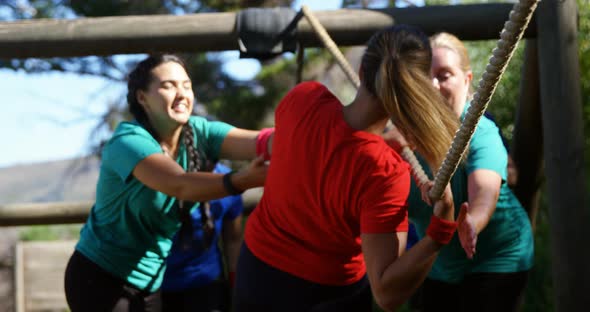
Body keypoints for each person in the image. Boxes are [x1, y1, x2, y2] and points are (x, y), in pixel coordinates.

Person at [234, 25, 462, 312]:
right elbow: (387, 293)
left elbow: (327, 149)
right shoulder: (384, 171)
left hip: (255, 275)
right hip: (327, 297)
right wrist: (439, 233)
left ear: (363, 73)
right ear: (417, 89)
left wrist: (376, 143)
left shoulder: (302, 99)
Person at [63, 54, 272, 312]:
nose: (182, 93)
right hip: (100, 277)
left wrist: (303, 133)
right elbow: (179, 184)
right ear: (142, 97)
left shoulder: (199, 132)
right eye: (168, 85)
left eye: (186, 85)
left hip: (150, 283)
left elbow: (259, 142)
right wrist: (241, 180)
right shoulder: (128, 141)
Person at [387, 32, 534, 312]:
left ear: (466, 81)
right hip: (439, 264)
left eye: (444, 75)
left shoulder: (479, 130)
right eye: (425, 76)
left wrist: (472, 222)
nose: (433, 85)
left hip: (497, 257)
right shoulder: (401, 138)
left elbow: (484, 191)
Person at [160, 106, 244, 312]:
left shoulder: (231, 184)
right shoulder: (164, 180)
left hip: (207, 286)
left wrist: (237, 285)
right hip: (158, 287)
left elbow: (233, 239)